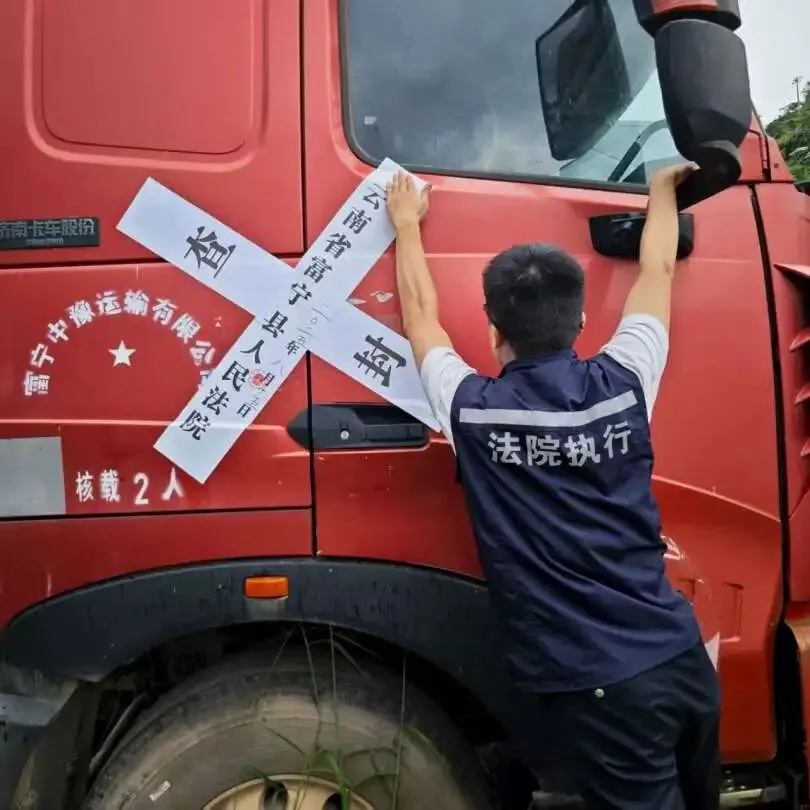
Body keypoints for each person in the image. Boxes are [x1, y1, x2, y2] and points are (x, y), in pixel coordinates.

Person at [384, 165, 721, 810]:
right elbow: (658, 271)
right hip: (682, 656)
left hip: (604, 684)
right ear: (583, 318)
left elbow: (421, 318)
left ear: (493, 329)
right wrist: (661, 194)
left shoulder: (473, 410)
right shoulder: (626, 381)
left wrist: (405, 225)